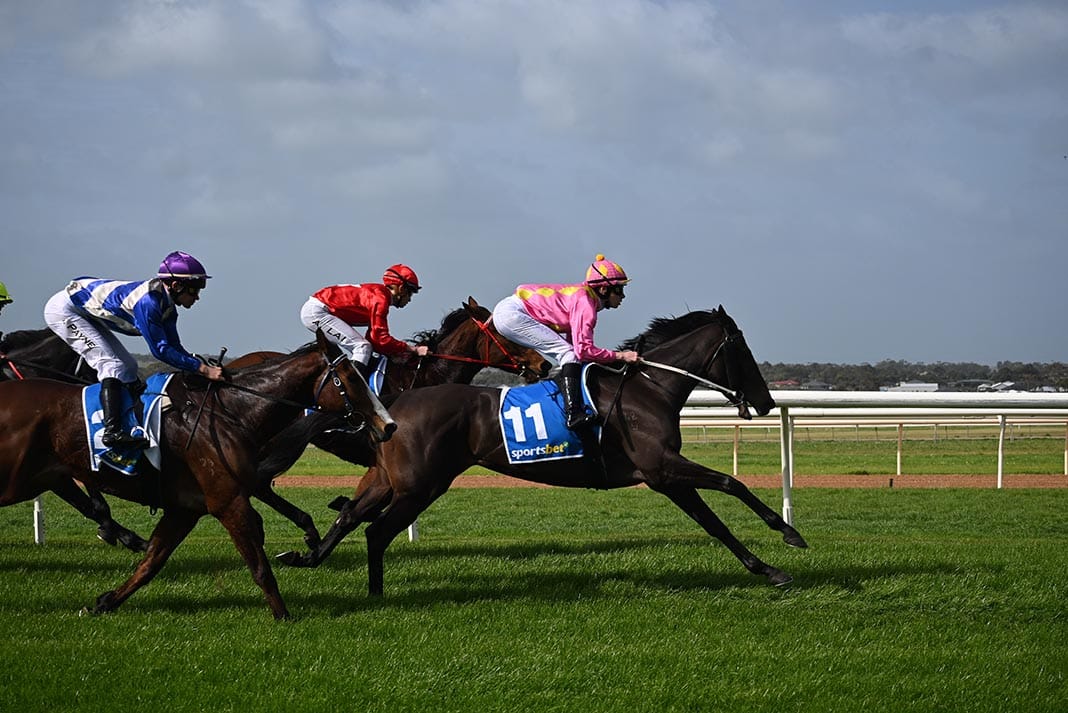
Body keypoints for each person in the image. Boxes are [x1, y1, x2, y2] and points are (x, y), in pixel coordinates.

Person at [44, 251, 225, 449]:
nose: (197, 297)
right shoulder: (149, 303)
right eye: (193, 290)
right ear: (175, 285)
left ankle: (132, 417)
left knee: (129, 367)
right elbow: (160, 350)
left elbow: (174, 347)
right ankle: (112, 432)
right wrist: (203, 369)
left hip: (83, 310)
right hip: (64, 311)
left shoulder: (168, 309)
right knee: (112, 365)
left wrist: (198, 365)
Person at [491, 254, 640, 429]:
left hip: (509, 311)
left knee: (570, 354)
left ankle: (569, 401)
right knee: (569, 354)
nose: (623, 296)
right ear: (603, 289)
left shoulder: (584, 297)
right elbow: (583, 351)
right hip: (512, 315)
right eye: (619, 290)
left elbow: (578, 347)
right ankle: (573, 414)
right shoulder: (585, 305)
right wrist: (621, 356)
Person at [299, 264, 430, 381]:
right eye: (410, 293)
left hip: (319, 309)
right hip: (317, 313)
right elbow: (381, 339)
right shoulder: (380, 300)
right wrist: (413, 349)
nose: (409, 300)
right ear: (401, 289)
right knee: (362, 347)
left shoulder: (379, 295)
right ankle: (351, 391)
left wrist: (401, 352)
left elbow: (375, 340)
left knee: (365, 347)